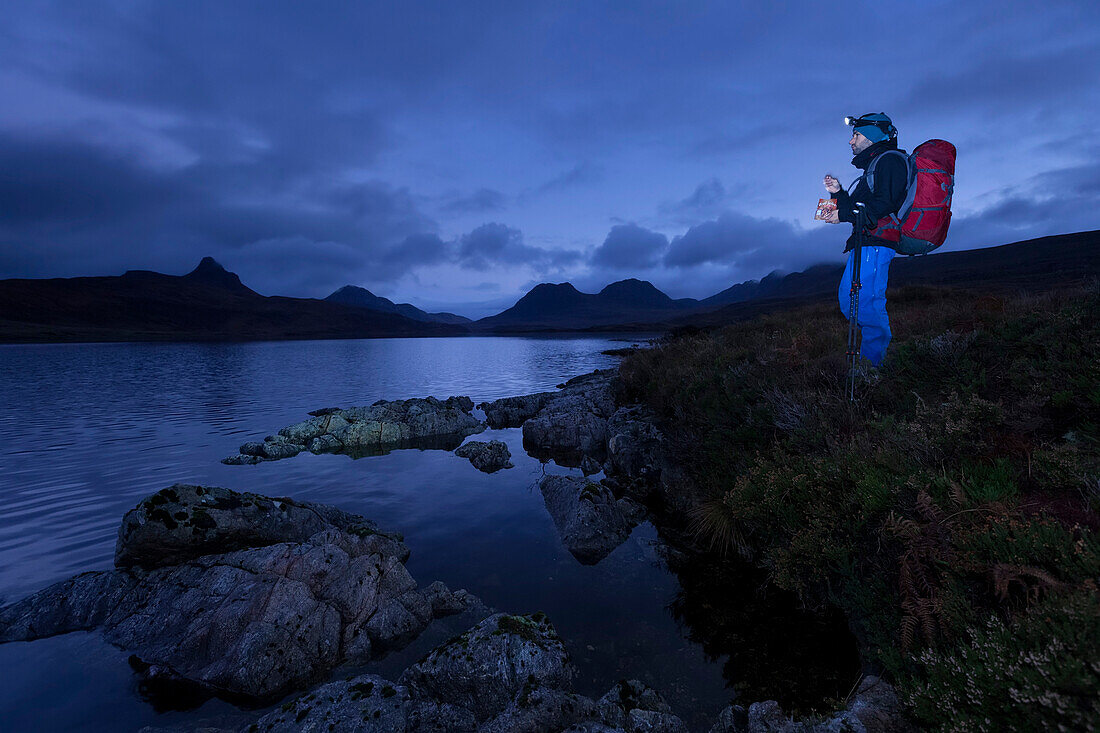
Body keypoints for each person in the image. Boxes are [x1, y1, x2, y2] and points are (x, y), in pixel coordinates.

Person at [821, 113, 908, 368]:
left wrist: (844, 213)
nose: (851, 141)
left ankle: (874, 368)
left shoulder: (890, 161)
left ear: (872, 137)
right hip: (865, 242)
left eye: (856, 135)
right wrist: (837, 193)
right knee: (850, 303)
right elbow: (859, 208)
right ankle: (874, 359)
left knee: (867, 303)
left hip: (877, 242)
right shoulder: (874, 166)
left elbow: (884, 203)